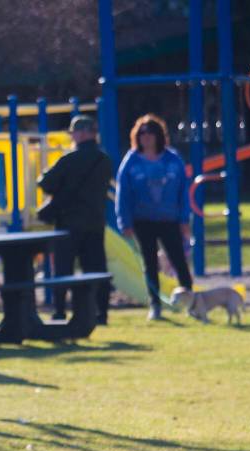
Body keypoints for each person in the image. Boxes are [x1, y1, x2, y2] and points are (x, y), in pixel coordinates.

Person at [115, 113, 194, 321]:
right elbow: (123, 194)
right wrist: (124, 221)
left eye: (150, 133)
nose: (146, 137)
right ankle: (155, 305)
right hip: (143, 220)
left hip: (170, 219)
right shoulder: (131, 162)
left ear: (159, 135)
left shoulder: (173, 160)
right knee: (149, 263)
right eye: (142, 133)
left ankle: (191, 302)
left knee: (179, 260)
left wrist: (185, 219)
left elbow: (183, 192)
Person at [37, 116, 113, 324]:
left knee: (63, 271)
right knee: (97, 270)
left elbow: (46, 184)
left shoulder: (68, 160)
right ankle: (102, 313)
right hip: (95, 223)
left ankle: (60, 311)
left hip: (68, 223)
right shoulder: (104, 160)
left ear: (81, 134)